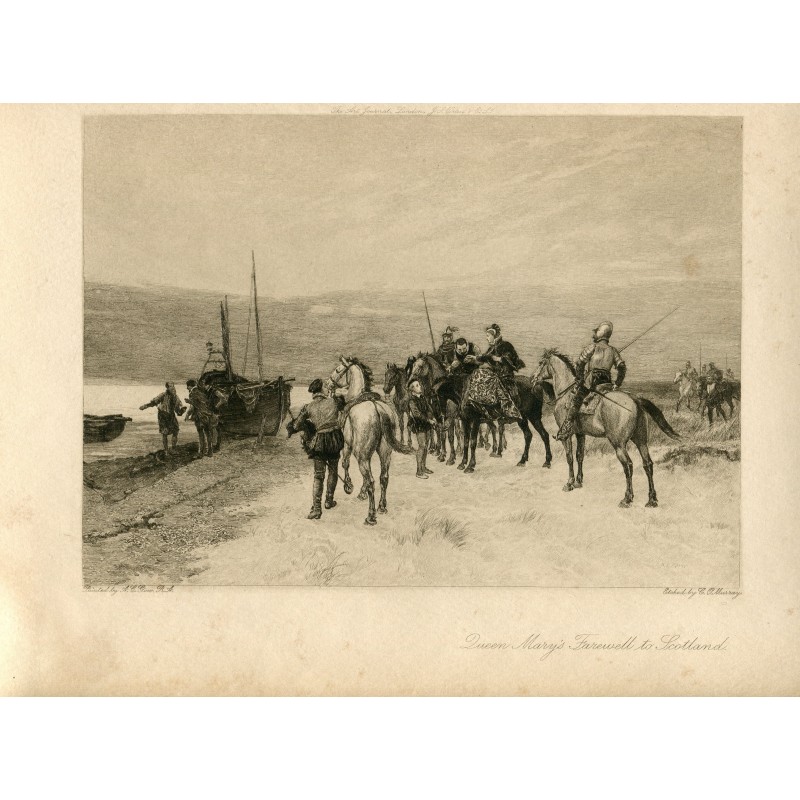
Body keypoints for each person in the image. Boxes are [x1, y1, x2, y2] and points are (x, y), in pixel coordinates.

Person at [556, 320, 626, 441]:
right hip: (607, 382)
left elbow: (580, 363)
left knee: (576, 399)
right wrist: (617, 383)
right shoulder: (613, 350)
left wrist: (579, 380)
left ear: (601, 333)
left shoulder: (592, 347)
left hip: (592, 380)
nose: (594, 333)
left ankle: (566, 428)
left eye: (597, 331)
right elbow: (622, 368)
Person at [286, 378, 345, 519]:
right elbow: (343, 405)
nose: (326, 388)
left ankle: (317, 509)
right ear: (322, 390)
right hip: (334, 440)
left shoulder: (308, 407)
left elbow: (295, 426)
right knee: (333, 470)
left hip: (319, 442)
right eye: (325, 386)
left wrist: (298, 424)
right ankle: (329, 501)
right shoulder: (334, 402)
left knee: (319, 475)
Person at [476, 323, 526, 410]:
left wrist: (499, 359)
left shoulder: (506, 345)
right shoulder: (492, 348)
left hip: (505, 375)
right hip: (495, 375)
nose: (486, 338)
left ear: (494, 335)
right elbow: (485, 356)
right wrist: (475, 358)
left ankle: (507, 409)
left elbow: (512, 358)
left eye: (488, 335)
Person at [139, 381, 186, 456]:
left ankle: (173, 449)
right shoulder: (163, 395)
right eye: (170, 386)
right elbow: (154, 402)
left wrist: (182, 410)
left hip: (171, 416)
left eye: (173, 386)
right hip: (163, 416)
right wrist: (145, 406)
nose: (172, 387)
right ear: (167, 387)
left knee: (176, 430)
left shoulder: (175, 396)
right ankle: (166, 450)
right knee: (165, 433)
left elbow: (178, 409)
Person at [408, 379, 437, 479]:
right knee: (422, 446)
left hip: (427, 424)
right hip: (419, 425)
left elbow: (429, 409)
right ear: (412, 389)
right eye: (416, 385)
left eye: (419, 384)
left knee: (426, 446)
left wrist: (432, 417)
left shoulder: (423, 398)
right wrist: (429, 420)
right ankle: (419, 471)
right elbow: (416, 414)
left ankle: (423, 467)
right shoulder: (412, 400)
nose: (419, 386)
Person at [185, 379, 219, 458]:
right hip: (207, 415)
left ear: (190, 386)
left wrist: (187, 414)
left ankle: (201, 453)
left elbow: (193, 406)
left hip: (199, 416)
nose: (187, 388)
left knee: (201, 434)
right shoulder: (202, 392)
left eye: (187, 387)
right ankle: (210, 452)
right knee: (208, 433)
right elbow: (206, 403)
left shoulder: (192, 393)